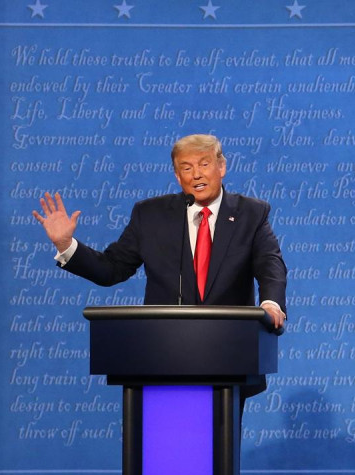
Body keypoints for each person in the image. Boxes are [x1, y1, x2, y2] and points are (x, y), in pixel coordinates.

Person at [32, 133, 288, 331]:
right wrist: (66, 244)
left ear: (221, 167)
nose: (196, 174)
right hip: (165, 347)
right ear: (178, 176)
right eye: (186, 168)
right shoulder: (150, 215)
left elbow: (270, 265)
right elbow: (112, 269)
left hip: (230, 346)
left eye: (204, 164)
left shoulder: (251, 213)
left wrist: (270, 304)